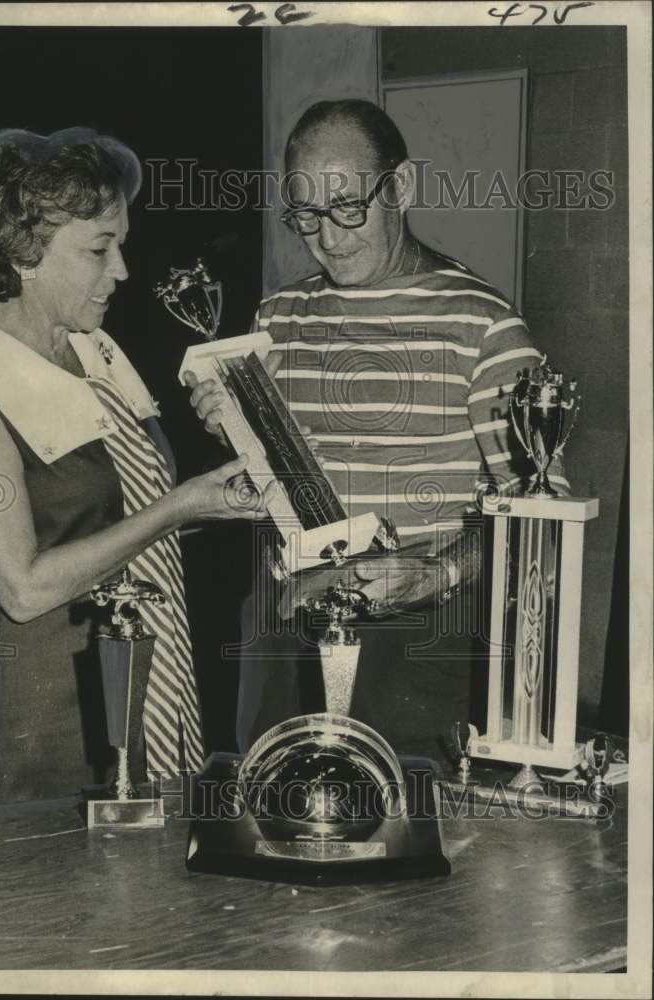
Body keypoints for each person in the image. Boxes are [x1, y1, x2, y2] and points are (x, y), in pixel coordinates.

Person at [185, 99, 567, 753]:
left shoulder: (482, 323)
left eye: (349, 208)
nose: (329, 238)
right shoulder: (277, 316)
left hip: (418, 641)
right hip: (287, 634)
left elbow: (542, 514)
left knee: (405, 834)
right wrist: (230, 430)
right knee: (269, 834)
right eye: (306, 216)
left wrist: (439, 574)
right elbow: (273, 483)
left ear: (402, 187)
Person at [0, 127, 270, 807]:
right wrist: (181, 506)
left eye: (121, 245)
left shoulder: (94, 348)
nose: (123, 272)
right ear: (24, 254)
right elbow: (21, 588)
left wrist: (214, 498)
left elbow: (116, 520)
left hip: (149, 676)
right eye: (100, 250)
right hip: (50, 712)